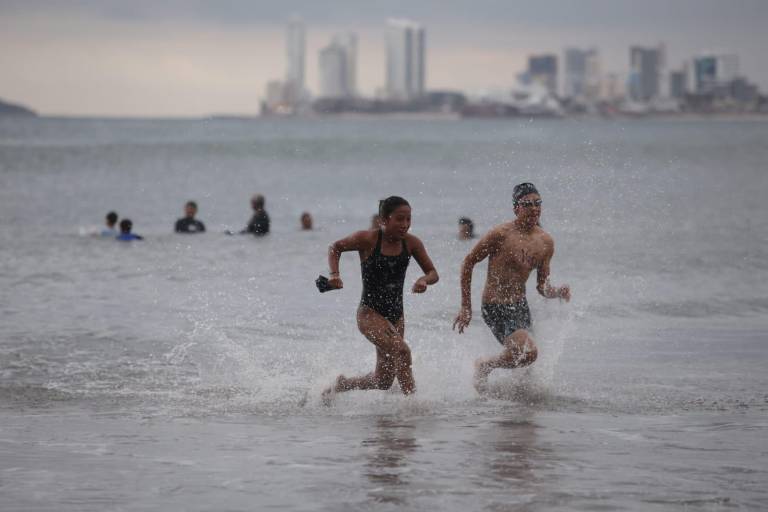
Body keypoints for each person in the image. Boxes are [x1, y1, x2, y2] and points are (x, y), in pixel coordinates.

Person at [452, 183, 570, 392]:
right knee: (528, 353)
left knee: (527, 369)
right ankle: (485, 365)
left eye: (538, 203)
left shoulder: (546, 242)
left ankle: (519, 412)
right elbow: (468, 262)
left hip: (520, 306)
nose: (534, 208)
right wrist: (466, 307)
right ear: (516, 208)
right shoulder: (500, 234)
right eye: (527, 204)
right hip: (495, 306)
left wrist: (556, 292)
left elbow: (541, 286)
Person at [322, 196, 439, 400]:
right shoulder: (367, 239)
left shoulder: (412, 243)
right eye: (399, 219)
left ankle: (342, 385)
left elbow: (433, 273)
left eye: (408, 219)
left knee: (383, 381)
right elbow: (335, 247)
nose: (405, 225)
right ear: (384, 220)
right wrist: (334, 275)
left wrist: (424, 280)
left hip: (396, 316)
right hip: (369, 314)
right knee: (402, 352)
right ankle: (414, 407)